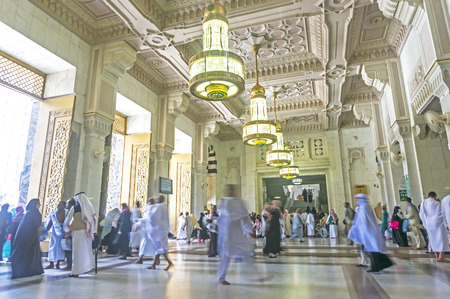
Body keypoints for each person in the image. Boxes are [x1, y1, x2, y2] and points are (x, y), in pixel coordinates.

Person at [217, 184, 265, 285]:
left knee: (246, 253)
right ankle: (221, 278)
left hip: (238, 233)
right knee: (226, 256)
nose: (231, 191)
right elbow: (227, 216)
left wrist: (250, 231)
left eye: (232, 189)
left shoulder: (240, 202)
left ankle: (257, 276)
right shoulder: (224, 201)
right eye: (229, 189)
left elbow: (245, 217)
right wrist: (239, 217)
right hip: (227, 233)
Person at [349, 194, 393, 272]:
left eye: (357, 198)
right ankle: (379, 265)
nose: (356, 200)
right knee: (372, 249)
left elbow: (365, 220)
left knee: (374, 249)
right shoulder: (362, 207)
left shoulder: (365, 206)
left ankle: (379, 265)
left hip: (369, 231)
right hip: (365, 232)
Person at [64, 192, 97, 277]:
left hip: (77, 232)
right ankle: (86, 268)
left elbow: (68, 220)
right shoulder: (90, 208)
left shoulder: (75, 208)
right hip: (87, 232)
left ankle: (76, 272)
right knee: (86, 251)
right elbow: (93, 220)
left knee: (77, 252)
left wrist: (66, 229)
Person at [11, 198, 44, 279]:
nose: (39, 205)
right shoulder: (34, 213)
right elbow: (37, 226)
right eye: (38, 203)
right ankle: (29, 270)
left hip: (26, 237)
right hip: (30, 237)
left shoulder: (29, 213)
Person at [419, 191, 449, 262]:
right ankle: (441, 257)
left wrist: (425, 223)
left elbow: (421, 214)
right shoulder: (437, 203)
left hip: (429, 223)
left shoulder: (423, 203)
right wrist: (446, 223)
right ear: (435, 196)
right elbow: (442, 214)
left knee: (433, 240)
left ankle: (436, 256)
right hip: (438, 223)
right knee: (442, 239)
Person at [147, 195, 173, 271]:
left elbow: (153, 217)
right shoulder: (165, 207)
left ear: (161, 199)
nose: (156, 200)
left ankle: (169, 262)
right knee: (159, 248)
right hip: (163, 230)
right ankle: (154, 264)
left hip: (158, 230)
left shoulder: (159, 207)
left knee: (160, 248)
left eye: (158, 199)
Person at [45, 201, 66, 269]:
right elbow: (50, 224)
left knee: (60, 248)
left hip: (62, 231)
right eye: (58, 205)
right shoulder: (53, 214)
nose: (59, 206)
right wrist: (44, 231)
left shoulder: (66, 214)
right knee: (52, 247)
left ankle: (58, 264)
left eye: (61, 205)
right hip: (54, 232)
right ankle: (51, 264)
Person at [135, 198, 155, 264]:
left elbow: (146, 219)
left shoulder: (151, 209)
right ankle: (156, 260)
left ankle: (141, 258)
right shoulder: (151, 208)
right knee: (155, 245)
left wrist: (138, 223)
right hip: (150, 230)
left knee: (145, 244)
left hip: (148, 230)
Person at [62, 198, 76, 271]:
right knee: (67, 250)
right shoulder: (68, 212)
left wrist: (69, 233)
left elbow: (72, 223)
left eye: (67, 203)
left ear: (71, 204)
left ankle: (70, 265)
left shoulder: (74, 212)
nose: (66, 205)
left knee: (69, 251)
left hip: (70, 234)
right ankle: (68, 264)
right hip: (66, 233)